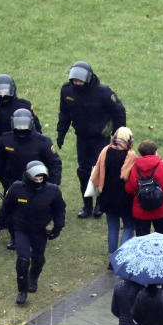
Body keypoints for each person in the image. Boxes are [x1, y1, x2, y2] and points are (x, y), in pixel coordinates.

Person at [0, 108, 63, 250]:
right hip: (12, 181)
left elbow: (54, 163)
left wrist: (53, 185)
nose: (21, 128)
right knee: (12, 209)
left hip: (36, 182)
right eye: (18, 125)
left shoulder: (43, 142)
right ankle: (15, 237)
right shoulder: (5, 139)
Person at [56, 61, 126, 219]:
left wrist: (118, 135)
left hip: (101, 139)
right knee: (83, 172)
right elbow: (64, 114)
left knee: (101, 171)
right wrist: (61, 133)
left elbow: (119, 111)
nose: (77, 84)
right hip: (82, 138)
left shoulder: (103, 93)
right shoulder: (67, 91)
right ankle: (87, 205)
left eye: (80, 81)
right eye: (75, 81)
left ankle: (100, 204)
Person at [0, 161, 66, 305]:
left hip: (40, 230)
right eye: (36, 179)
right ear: (28, 176)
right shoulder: (16, 188)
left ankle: (33, 278)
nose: (38, 181)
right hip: (21, 229)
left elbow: (59, 209)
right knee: (23, 259)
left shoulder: (52, 191)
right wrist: (1, 220)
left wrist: (58, 227)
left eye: (41, 178)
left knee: (38, 258)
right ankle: (22, 290)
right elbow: (7, 206)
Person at [90, 126, 138, 260]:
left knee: (112, 228)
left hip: (107, 196)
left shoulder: (105, 151)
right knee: (129, 226)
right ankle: (121, 258)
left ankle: (112, 259)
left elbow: (97, 172)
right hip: (125, 198)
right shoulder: (131, 155)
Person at [124, 140, 163, 235]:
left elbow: (129, 189)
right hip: (161, 208)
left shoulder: (135, 168)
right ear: (155, 152)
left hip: (142, 209)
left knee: (142, 239)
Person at [0, 74, 42, 147]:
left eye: (5, 91)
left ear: (12, 89)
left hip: (21, 146)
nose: (2, 95)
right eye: (0, 91)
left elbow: (36, 129)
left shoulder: (24, 105)